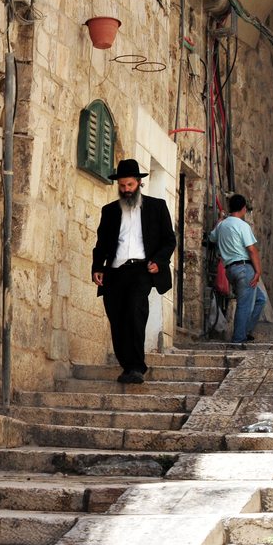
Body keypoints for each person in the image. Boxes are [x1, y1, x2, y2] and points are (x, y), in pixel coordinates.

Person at [91, 159, 177, 384]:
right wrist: (97, 267)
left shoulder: (157, 208)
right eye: (122, 186)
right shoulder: (109, 211)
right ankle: (126, 366)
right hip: (115, 272)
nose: (126, 190)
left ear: (139, 184)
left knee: (135, 315)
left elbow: (169, 240)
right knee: (117, 317)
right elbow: (101, 244)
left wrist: (159, 260)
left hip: (141, 270)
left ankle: (137, 367)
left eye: (129, 185)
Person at [209, 194, 266, 343]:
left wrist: (220, 219)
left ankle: (245, 331)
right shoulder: (242, 225)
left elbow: (211, 237)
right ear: (244, 209)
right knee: (244, 304)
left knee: (260, 298)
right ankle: (239, 338)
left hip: (230, 270)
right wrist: (258, 271)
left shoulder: (222, 224)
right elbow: (251, 249)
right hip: (244, 268)